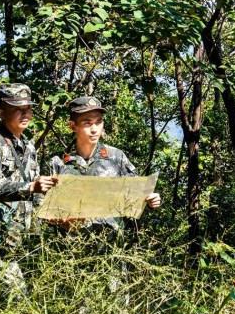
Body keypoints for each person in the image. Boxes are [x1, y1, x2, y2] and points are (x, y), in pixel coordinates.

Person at [49, 96, 161, 230]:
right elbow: (44, 209)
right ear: (73, 126)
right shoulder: (59, 162)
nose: (95, 129)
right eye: (87, 123)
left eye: (98, 122)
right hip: (71, 245)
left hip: (112, 243)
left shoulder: (116, 157)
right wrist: (61, 220)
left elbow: (136, 196)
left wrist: (150, 200)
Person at [0, 83, 57, 244]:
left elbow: (35, 189)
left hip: (24, 238)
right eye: (17, 109)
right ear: (1, 113)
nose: (25, 114)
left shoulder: (29, 146)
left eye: (28, 109)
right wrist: (30, 187)